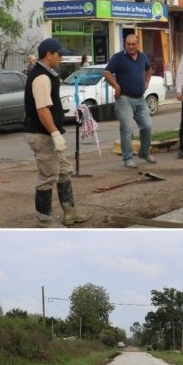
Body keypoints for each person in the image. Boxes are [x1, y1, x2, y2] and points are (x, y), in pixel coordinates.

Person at [23, 38, 90, 228]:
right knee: (47, 175)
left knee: (64, 172)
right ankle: (44, 219)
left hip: (48, 133)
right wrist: (55, 134)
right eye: (59, 54)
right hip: (41, 135)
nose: (62, 57)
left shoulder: (48, 74)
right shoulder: (41, 77)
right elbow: (42, 109)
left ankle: (70, 212)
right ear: (49, 55)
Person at [104, 34, 155, 168]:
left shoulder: (142, 57)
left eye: (133, 44)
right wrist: (116, 86)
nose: (131, 47)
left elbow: (149, 69)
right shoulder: (118, 57)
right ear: (124, 44)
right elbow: (107, 72)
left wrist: (146, 82)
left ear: (138, 44)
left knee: (147, 126)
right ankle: (128, 158)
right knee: (127, 128)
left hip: (140, 99)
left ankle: (144, 152)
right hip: (124, 99)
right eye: (128, 44)